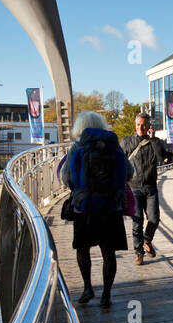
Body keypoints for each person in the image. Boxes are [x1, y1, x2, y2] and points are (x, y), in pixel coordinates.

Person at [60, 111, 130, 309]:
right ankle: (106, 294)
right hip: (110, 207)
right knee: (109, 253)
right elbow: (129, 172)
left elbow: (67, 178)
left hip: (85, 208)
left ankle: (87, 288)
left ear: (79, 127)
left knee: (83, 249)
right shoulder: (114, 146)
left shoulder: (77, 147)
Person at [120, 112, 166, 266]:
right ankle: (139, 252)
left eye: (144, 125)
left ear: (149, 126)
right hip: (133, 188)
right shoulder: (127, 142)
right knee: (137, 221)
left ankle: (147, 240)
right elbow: (119, 161)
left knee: (154, 219)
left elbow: (161, 158)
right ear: (135, 125)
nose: (141, 127)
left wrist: (153, 139)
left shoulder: (154, 142)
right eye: (139, 124)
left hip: (151, 187)